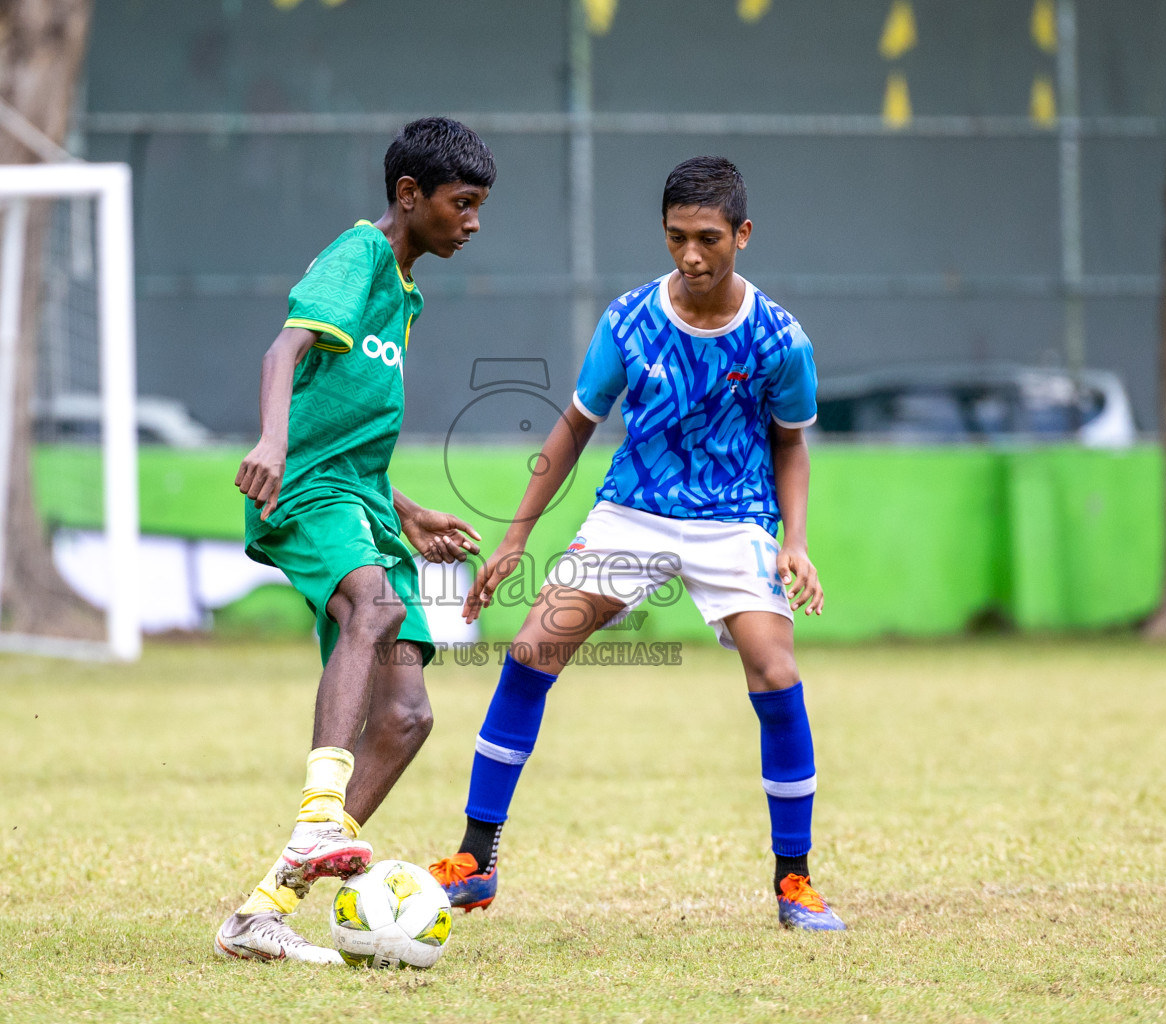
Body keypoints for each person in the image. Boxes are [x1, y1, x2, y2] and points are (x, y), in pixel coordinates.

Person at [428, 156, 845, 930]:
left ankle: (795, 882)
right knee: (529, 651)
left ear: (743, 235)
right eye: (677, 237)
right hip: (633, 512)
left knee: (775, 668)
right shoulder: (629, 320)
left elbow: (790, 444)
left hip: (734, 518)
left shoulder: (781, 339)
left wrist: (798, 541)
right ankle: (475, 859)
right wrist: (516, 538)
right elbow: (573, 428)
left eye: (709, 239)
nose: (691, 256)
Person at [215, 117, 495, 963]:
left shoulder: (405, 294)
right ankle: (315, 821)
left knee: (408, 716)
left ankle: (261, 911)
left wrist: (406, 511)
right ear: (409, 197)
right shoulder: (361, 255)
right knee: (370, 603)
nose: (473, 222)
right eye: (463, 204)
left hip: (363, 501)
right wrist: (270, 442)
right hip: (304, 489)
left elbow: (348, 420)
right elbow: (284, 349)